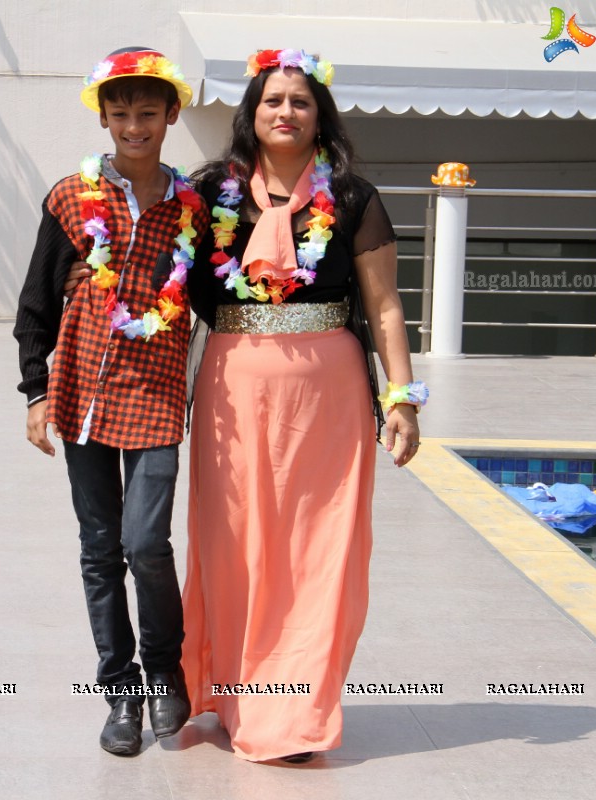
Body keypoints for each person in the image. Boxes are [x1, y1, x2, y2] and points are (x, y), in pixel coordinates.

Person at [180, 49, 427, 763]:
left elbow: (383, 309)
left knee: (321, 551)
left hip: (329, 394)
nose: (284, 111)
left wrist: (401, 400)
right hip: (231, 386)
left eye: (299, 101)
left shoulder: (353, 198)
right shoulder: (210, 193)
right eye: (271, 101)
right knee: (235, 547)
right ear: (250, 116)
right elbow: (165, 278)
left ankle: (293, 717)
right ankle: (231, 698)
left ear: (321, 116)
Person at [12, 47, 210, 756]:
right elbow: (35, 302)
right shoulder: (72, 199)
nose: (134, 125)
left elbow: (220, 295)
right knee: (99, 552)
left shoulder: (193, 210)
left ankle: (165, 672)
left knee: (144, 545)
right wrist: (36, 390)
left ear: (170, 116)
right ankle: (120, 693)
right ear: (104, 117)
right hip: (82, 399)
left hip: (157, 399)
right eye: (121, 113)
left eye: (147, 113)